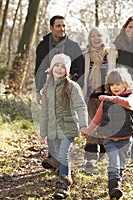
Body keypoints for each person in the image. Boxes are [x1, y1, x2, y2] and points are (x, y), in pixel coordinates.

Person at [35, 15, 85, 170]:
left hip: (69, 87)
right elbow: (39, 69)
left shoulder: (74, 46)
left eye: (64, 26)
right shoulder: (43, 46)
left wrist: (80, 88)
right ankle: (54, 157)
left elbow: (82, 69)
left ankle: (59, 162)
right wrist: (38, 90)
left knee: (64, 117)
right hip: (50, 86)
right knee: (51, 115)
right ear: (51, 28)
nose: (62, 29)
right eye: (58, 26)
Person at [82, 68, 133, 200]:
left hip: (125, 138)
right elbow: (97, 118)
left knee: (122, 164)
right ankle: (113, 187)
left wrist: (112, 98)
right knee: (113, 162)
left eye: (118, 84)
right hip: (110, 139)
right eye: (112, 85)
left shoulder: (130, 96)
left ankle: (118, 179)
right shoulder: (105, 100)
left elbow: (128, 104)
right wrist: (89, 130)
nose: (115, 87)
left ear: (125, 83)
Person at [40, 53, 88, 199]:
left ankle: (63, 185)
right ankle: (60, 171)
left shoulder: (72, 87)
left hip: (68, 127)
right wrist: (43, 132)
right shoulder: (47, 88)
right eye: (57, 65)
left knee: (63, 154)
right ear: (52, 68)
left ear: (67, 71)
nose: (59, 69)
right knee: (56, 155)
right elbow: (44, 112)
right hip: (52, 130)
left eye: (63, 67)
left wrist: (83, 124)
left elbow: (80, 106)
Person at [82, 27, 117, 168]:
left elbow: (114, 72)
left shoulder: (110, 53)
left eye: (99, 36)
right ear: (89, 38)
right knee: (92, 125)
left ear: (103, 38)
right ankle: (90, 158)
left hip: (106, 94)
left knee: (103, 125)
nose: (96, 38)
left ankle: (102, 152)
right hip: (91, 95)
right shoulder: (85, 54)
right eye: (93, 36)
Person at [113, 16, 133, 162]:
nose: (132, 30)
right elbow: (113, 68)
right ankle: (122, 151)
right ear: (125, 27)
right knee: (123, 119)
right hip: (123, 89)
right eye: (130, 27)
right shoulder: (117, 44)